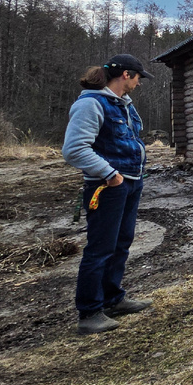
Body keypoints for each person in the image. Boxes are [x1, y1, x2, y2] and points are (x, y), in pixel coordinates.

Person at [63, 54, 155, 335]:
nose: (139, 83)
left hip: (130, 182)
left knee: (121, 243)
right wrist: (110, 174)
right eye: (138, 77)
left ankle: (113, 299)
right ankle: (89, 312)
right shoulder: (91, 104)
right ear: (126, 74)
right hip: (107, 187)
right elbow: (74, 149)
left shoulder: (123, 104)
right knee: (100, 248)